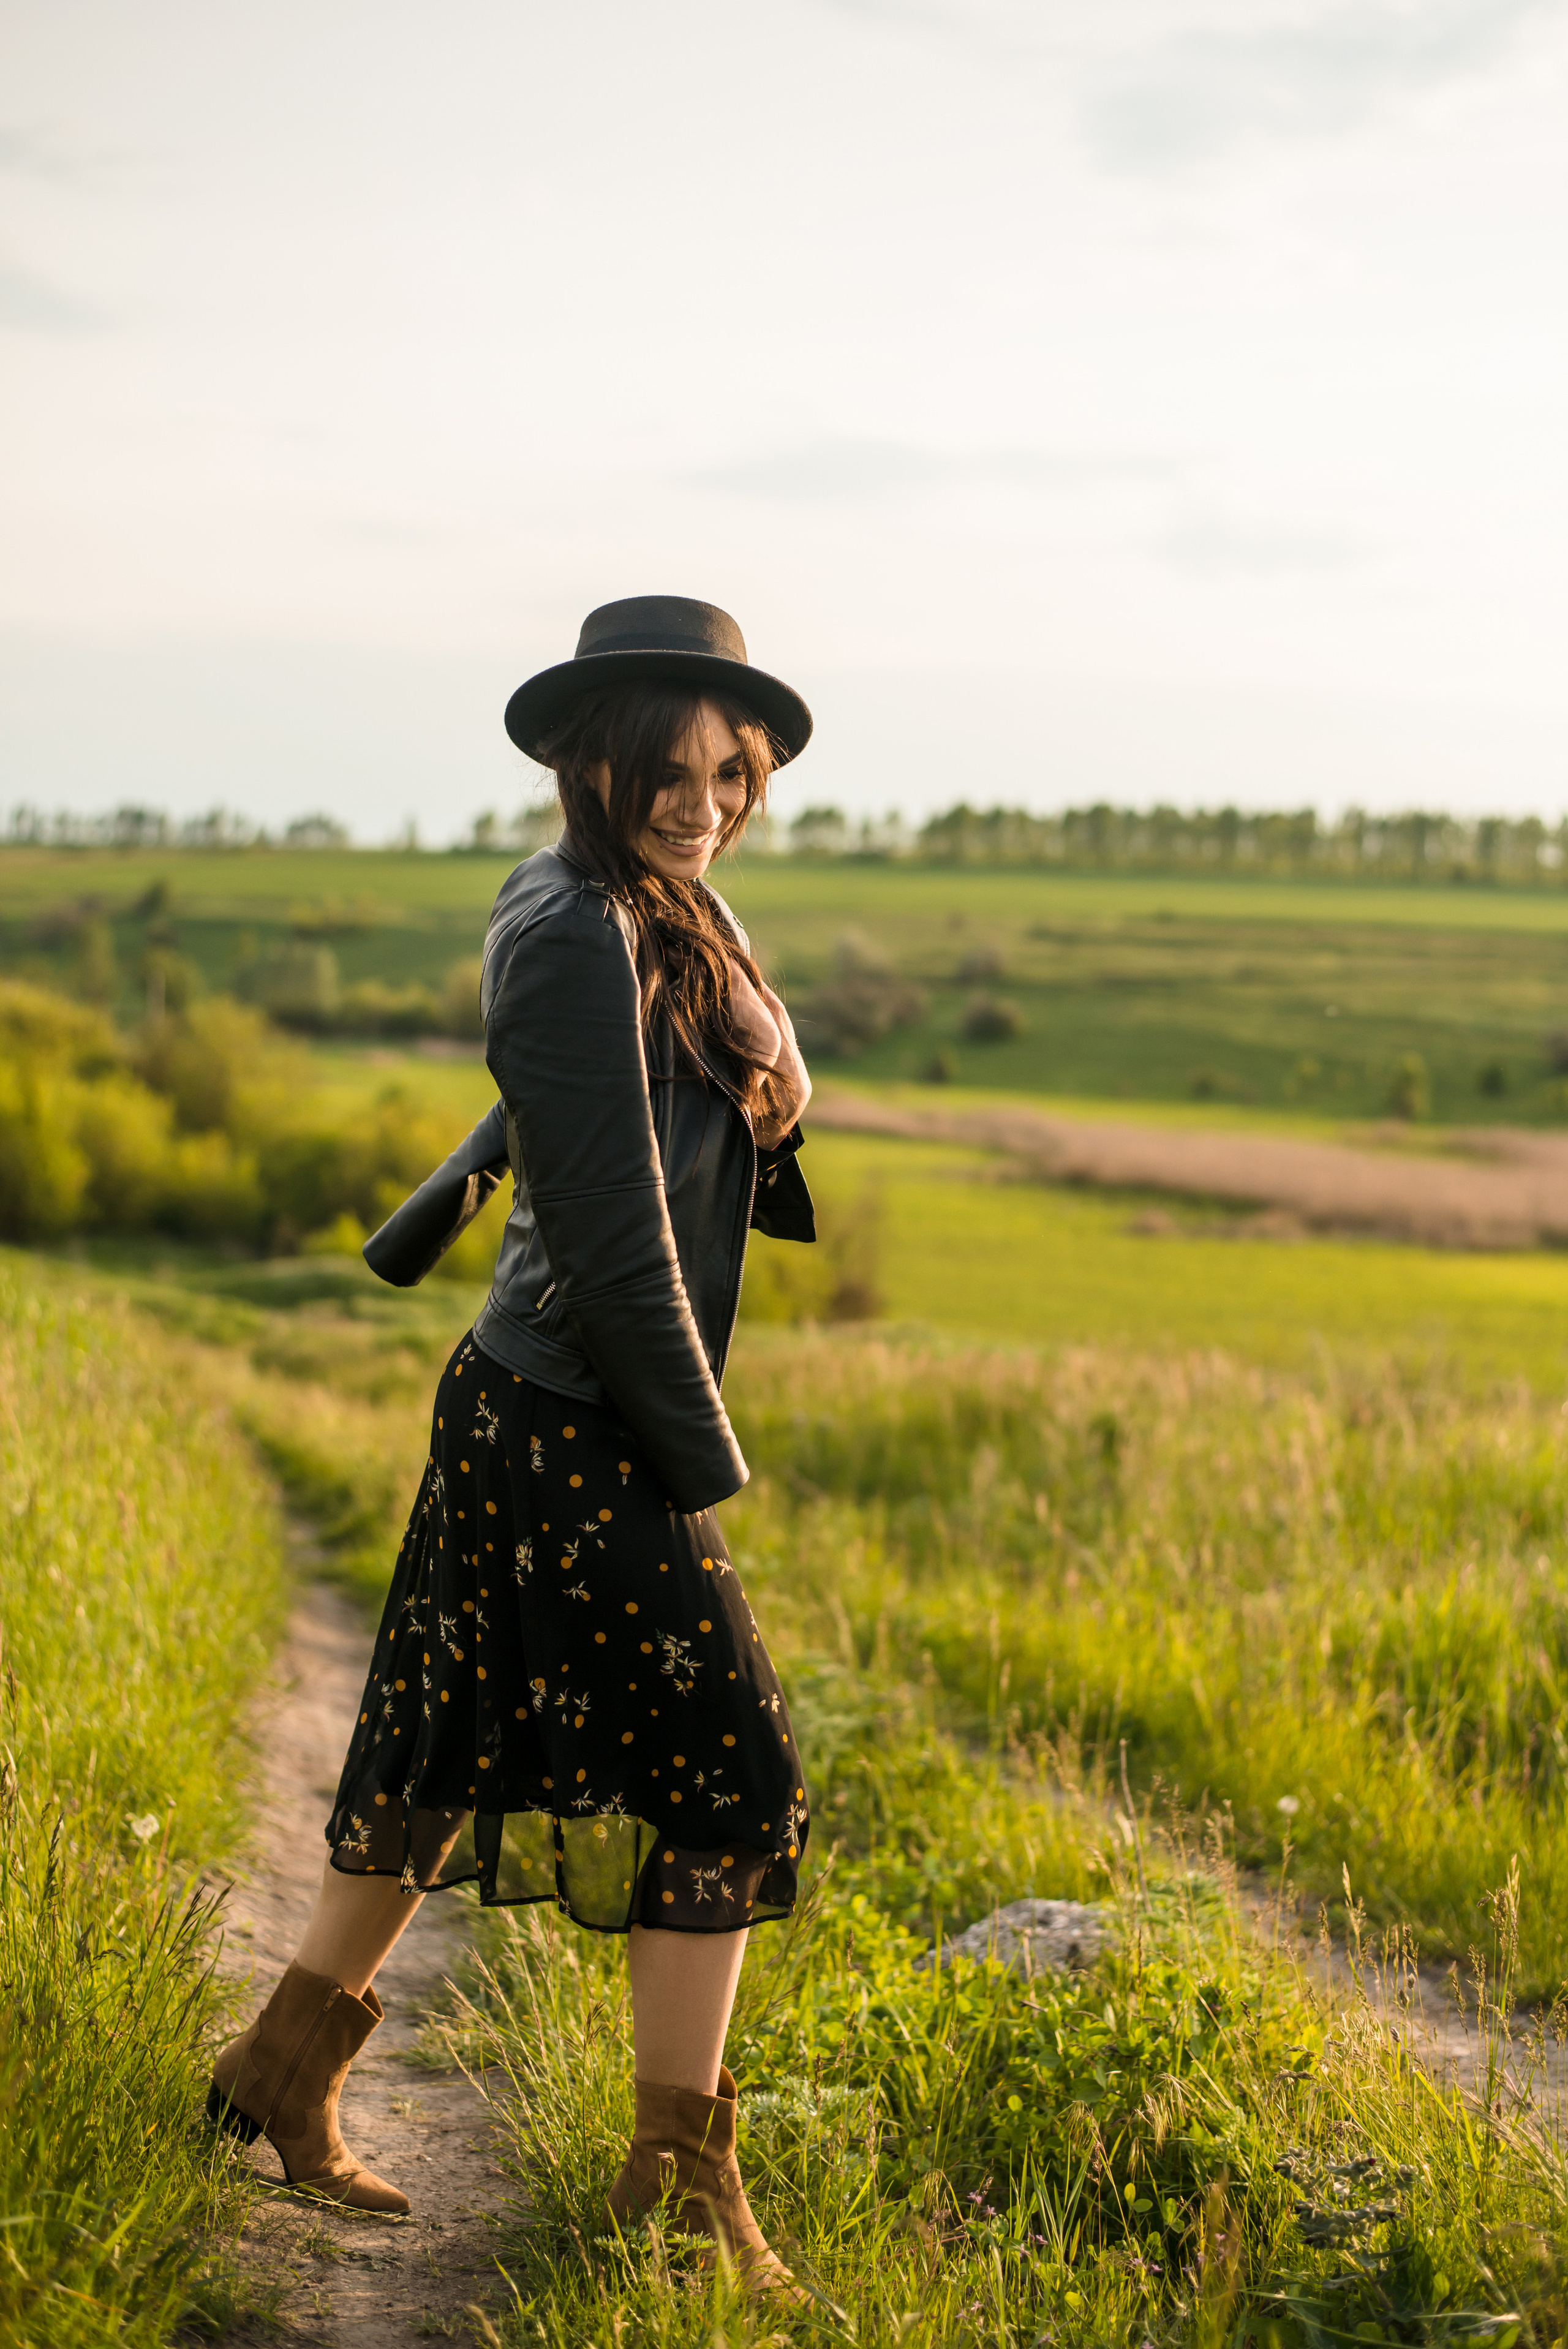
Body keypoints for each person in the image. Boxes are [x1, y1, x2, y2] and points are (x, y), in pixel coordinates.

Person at [207, 598, 817, 2291]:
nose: (705, 798)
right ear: (586, 757)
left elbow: (716, 1064)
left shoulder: (661, 905)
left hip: (539, 1403)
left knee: (442, 1742)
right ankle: (679, 2194)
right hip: (572, 1413)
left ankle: (279, 2070)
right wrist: (706, 1471)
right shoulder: (568, 924)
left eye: (731, 769)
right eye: (671, 767)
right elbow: (617, 1241)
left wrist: (790, 1071)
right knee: (734, 1764)